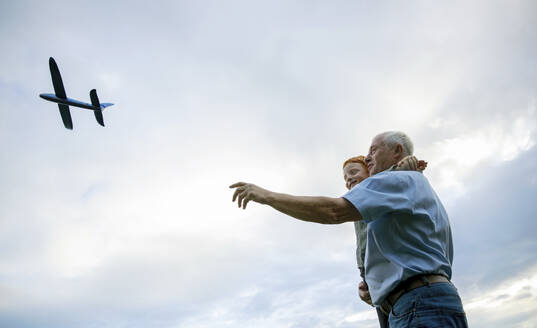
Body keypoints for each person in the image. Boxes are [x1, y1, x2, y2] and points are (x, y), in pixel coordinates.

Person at [230, 131, 468, 327]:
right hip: (425, 301)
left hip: (418, 305)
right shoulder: (412, 186)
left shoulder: (397, 180)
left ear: (397, 151)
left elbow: (333, 211)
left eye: (373, 150)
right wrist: (380, 291)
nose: (367, 157)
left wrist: (267, 196)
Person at [343, 155, 427, 328]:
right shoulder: (353, 199)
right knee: (386, 319)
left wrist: (404, 165)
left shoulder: (378, 187)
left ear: (369, 172)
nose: (349, 178)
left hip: (386, 261)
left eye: (353, 172)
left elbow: (391, 175)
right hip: (366, 268)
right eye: (345, 177)